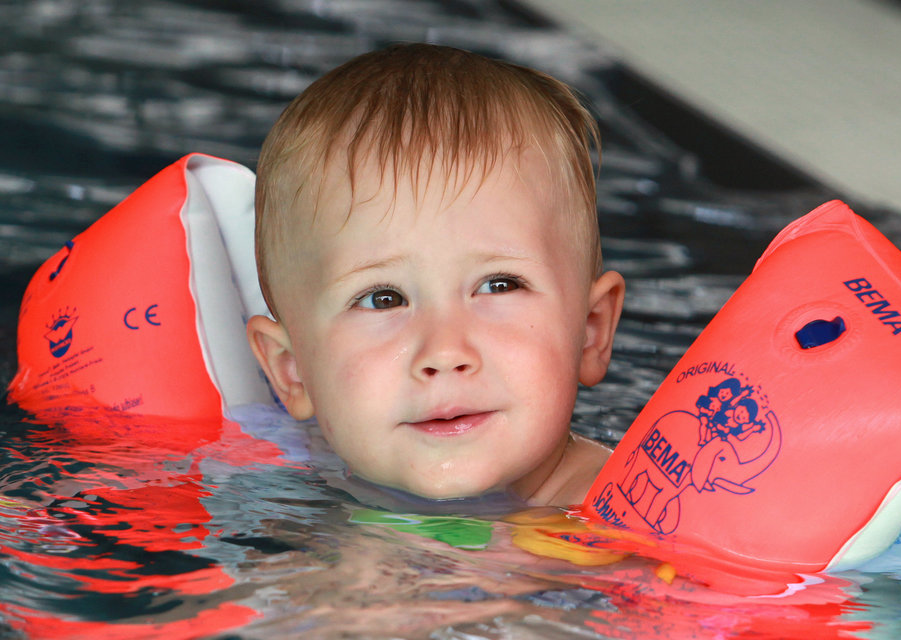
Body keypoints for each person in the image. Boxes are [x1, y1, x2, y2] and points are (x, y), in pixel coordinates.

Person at [244, 43, 627, 507]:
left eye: (498, 284)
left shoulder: (626, 511)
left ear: (590, 332)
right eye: (384, 298)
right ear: (292, 370)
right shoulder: (282, 473)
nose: (445, 352)